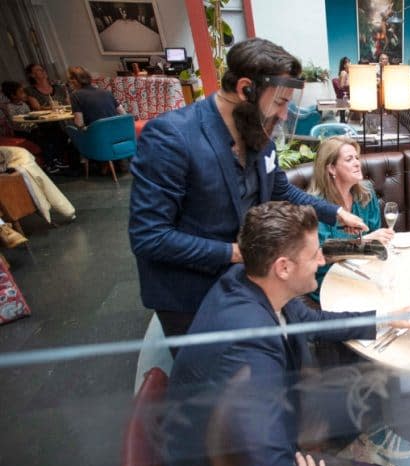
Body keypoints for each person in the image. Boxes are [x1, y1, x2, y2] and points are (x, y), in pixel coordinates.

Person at [164, 202, 410, 466]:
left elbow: (312, 321)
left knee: (373, 391)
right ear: (283, 267)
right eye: (314, 254)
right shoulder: (251, 356)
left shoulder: (245, 279)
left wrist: (383, 318)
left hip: (254, 424)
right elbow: (260, 460)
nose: (321, 259)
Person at [128, 37, 368, 342]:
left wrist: (336, 213)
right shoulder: (171, 138)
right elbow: (149, 237)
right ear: (245, 89)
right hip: (190, 296)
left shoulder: (258, 133)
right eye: (280, 102)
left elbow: (281, 190)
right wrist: (237, 253)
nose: (283, 115)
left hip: (244, 280)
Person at [308, 136, 393, 300]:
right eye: (349, 159)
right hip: (330, 280)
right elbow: (321, 256)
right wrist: (365, 241)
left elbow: (376, 243)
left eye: (357, 158)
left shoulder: (366, 193)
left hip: (364, 271)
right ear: (332, 169)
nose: (357, 163)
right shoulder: (317, 206)